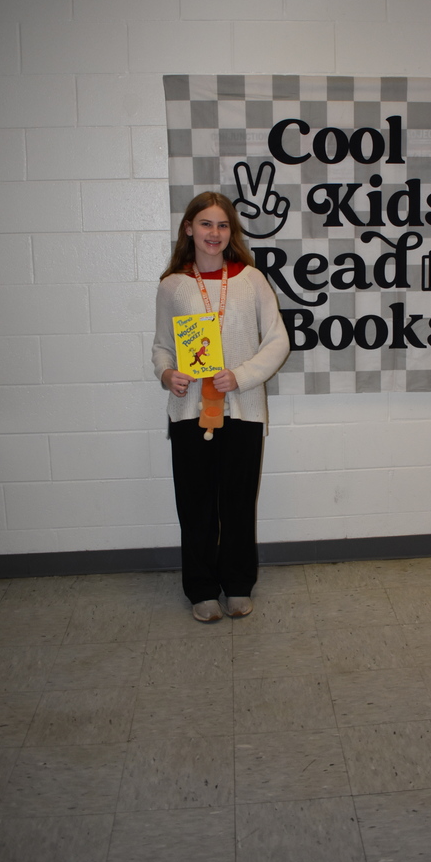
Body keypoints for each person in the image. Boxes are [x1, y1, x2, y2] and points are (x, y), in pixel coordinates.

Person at [152, 191, 290, 623]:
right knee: (194, 504)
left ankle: (237, 584)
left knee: (237, 501)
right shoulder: (172, 286)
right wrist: (166, 374)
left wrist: (243, 376)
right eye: (206, 224)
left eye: (223, 225)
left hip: (243, 410)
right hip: (190, 412)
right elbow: (161, 347)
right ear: (189, 228)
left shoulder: (250, 280)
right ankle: (201, 588)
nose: (215, 233)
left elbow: (278, 340)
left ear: (232, 232)